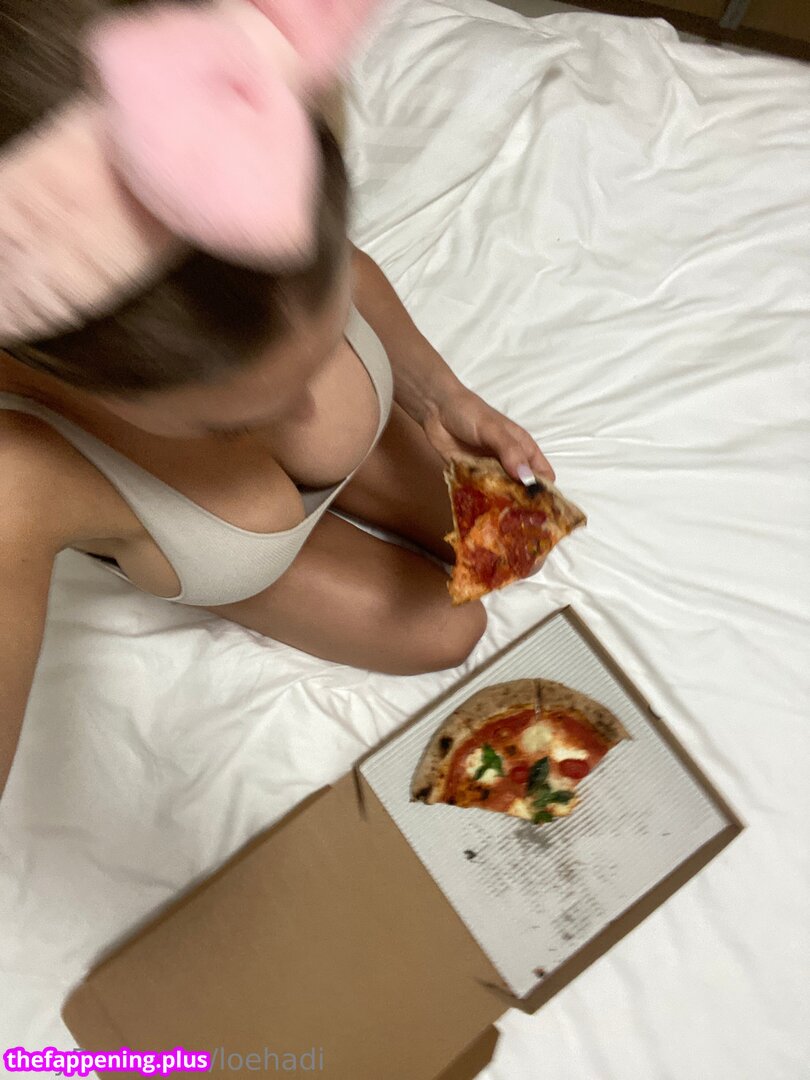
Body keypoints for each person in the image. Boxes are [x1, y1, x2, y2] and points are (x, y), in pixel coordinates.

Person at [0, 0, 554, 801]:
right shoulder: (17, 478)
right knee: (449, 631)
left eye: (326, 339)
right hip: (193, 524)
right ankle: (144, 533)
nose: (303, 408)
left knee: (518, 536)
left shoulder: (240, 183)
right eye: (230, 417)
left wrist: (442, 394)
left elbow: (347, 268)